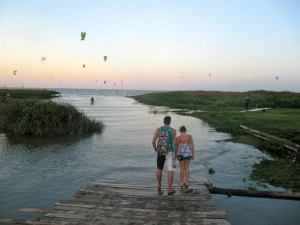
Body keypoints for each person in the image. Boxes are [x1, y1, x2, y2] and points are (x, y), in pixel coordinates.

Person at [152, 116, 177, 196]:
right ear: (170, 122)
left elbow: (153, 142)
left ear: (163, 121)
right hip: (170, 151)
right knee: (170, 170)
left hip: (160, 152)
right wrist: (176, 153)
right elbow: (176, 144)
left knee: (159, 169)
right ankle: (169, 190)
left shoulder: (158, 129)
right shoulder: (173, 131)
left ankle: (159, 187)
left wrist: (156, 149)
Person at [176, 125, 195, 193]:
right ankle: (186, 182)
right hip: (188, 154)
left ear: (180, 131)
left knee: (181, 168)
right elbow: (192, 146)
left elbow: (177, 147)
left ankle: (181, 182)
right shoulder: (190, 136)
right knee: (187, 168)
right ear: (185, 130)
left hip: (181, 154)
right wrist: (193, 155)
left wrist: (176, 155)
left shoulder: (178, 137)